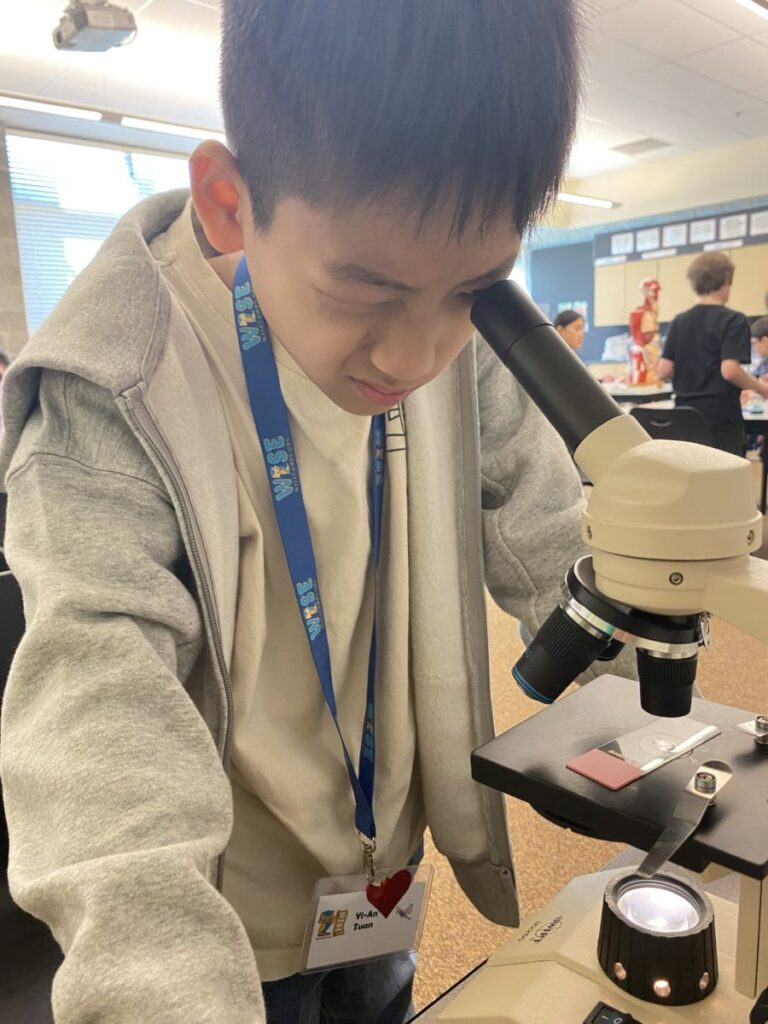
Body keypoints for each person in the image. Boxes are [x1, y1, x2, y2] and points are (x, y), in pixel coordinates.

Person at [0, 3, 630, 1022]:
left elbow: (556, 541)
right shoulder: (108, 391)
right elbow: (96, 720)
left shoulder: (456, 332)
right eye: (363, 291)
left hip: (383, 876)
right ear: (226, 201)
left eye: (471, 290)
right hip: (222, 920)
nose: (416, 356)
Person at [657, 252, 768, 457]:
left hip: (684, 416)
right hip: (720, 418)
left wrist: (693, 372)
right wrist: (761, 388)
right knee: (723, 480)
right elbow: (730, 370)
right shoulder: (734, 320)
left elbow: (663, 370)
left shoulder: (679, 321)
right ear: (727, 281)